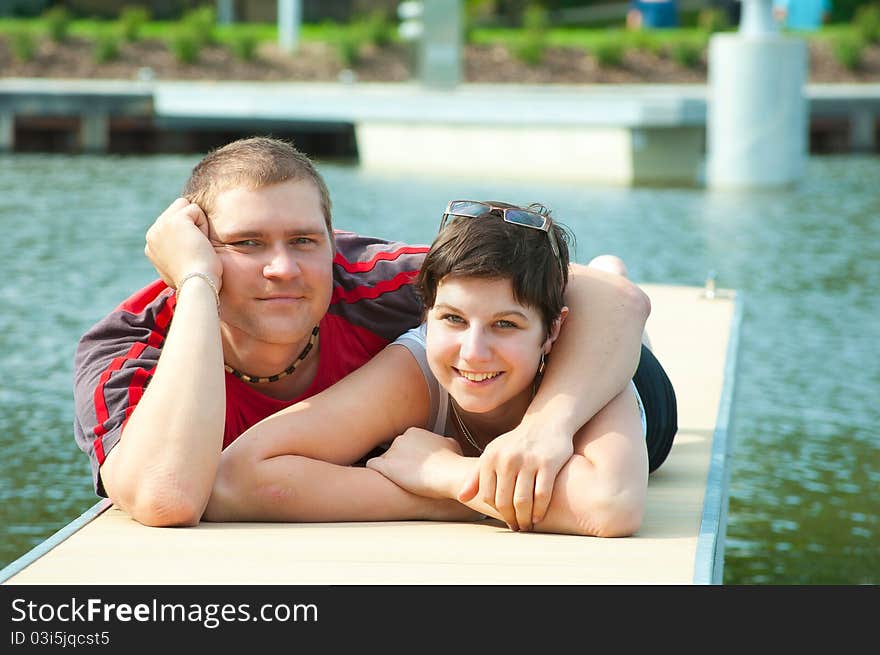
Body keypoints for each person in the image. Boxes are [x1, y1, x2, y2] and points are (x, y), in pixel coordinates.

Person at [73, 137, 651, 528]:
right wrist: (197, 283)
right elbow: (167, 497)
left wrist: (546, 431)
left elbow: (609, 299)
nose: (283, 268)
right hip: (449, 427)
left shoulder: (368, 279)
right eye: (246, 244)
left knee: (584, 293)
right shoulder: (127, 352)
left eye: (304, 240)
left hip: (557, 379)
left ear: (333, 240)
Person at [205, 201, 677, 536]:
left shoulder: (590, 372)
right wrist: (455, 496)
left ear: (552, 332)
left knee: (619, 316)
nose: (473, 352)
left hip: (641, 384)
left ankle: (608, 276)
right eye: (453, 319)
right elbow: (235, 478)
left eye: (505, 324)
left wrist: (446, 473)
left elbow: (611, 505)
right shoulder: (417, 367)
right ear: (426, 314)